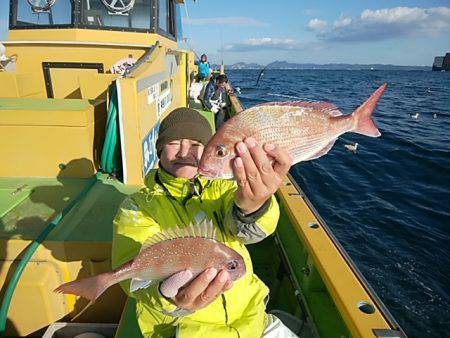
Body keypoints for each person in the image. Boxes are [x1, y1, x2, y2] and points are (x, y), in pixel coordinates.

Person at [112, 108, 296, 337]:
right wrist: (168, 298)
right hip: (184, 329)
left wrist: (254, 205)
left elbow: (252, 231)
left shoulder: (227, 187)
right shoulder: (137, 207)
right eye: (174, 142)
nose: (185, 152)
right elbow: (135, 280)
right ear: (159, 150)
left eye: (196, 144)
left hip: (254, 319)